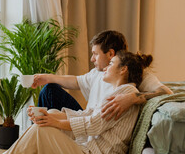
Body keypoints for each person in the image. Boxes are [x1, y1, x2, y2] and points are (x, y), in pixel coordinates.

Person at [0, 50, 153, 154]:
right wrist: (53, 117)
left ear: (123, 70)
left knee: (42, 131)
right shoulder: (120, 92)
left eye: (111, 63)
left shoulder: (126, 93)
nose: (106, 67)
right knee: (52, 113)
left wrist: (55, 123)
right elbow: (89, 114)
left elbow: (94, 125)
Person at [35, 30, 172, 121]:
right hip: (87, 116)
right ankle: (38, 133)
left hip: (97, 124)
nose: (92, 59)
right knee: (49, 90)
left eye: (95, 54)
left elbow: (165, 92)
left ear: (111, 53)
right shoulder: (98, 72)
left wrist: (131, 98)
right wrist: (47, 77)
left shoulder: (133, 72)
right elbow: (77, 81)